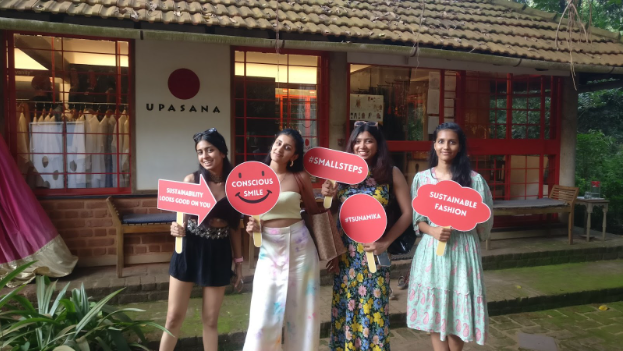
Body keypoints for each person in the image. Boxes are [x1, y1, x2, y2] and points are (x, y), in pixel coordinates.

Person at [322, 121, 412, 351]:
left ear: (378, 144)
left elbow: (407, 214)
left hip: (375, 253)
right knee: (346, 308)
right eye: (357, 141)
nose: (362, 146)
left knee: (373, 310)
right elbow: (330, 212)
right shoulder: (340, 174)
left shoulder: (391, 173)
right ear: (351, 145)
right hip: (347, 256)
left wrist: (386, 242)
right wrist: (327, 196)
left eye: (368, 141)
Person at [407, 122, 493, 350]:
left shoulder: (474, 181)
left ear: (460, 146)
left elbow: (484, 222)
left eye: (452, 142)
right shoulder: (422, 179)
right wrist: (433, 230)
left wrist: (468, 231)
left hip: (463, 251)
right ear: (434, 145)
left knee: (458, 307)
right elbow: (418, 220)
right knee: (436, 307)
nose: (446, 146)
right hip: (432, 253)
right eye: (441, 141)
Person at [160, 128, 244, 351]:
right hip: (189, 249)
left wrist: (239, 263)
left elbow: (235, 228)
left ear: (222, 152)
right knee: (173, 318)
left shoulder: (236, 185)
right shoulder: (192, 180)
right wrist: (175, 228)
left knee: (210, 320)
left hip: (219, 251)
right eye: (200, 152)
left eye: (210, 150)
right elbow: (181, 220)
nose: (204, 156)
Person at [243, 128, 320, 351]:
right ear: (272, 145)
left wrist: (328, 196)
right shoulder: (253, 177)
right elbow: (250, 218)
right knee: (264, 312)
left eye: (287, 147)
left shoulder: (299, 177)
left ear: (294, 156)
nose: (280, 149)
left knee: (303, 312)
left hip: (300, 246)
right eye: (278, 143)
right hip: (269, 247)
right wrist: (252, 228)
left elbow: (313, 211)